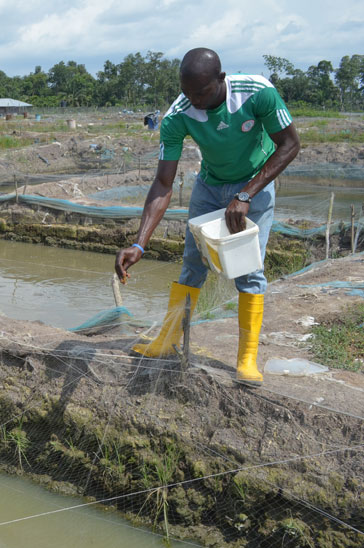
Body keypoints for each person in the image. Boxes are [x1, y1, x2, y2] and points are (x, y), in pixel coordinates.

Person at [114, 48, 299, 385]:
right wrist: (139, 244)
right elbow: (163, 183)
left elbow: (289, 145)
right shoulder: (177, 115)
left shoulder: (257, 93)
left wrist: (246, 195)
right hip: (209, 188)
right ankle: (167, 340)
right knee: (193, 263)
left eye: (202, 92)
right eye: (187, 93)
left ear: (221, 79)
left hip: (255, 184)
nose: (195, 101)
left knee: (249, 268)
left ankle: (246, 360)